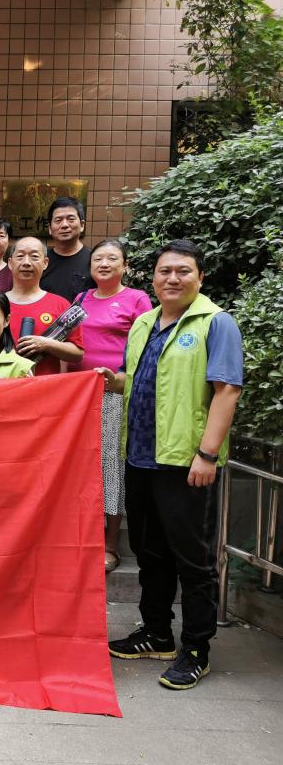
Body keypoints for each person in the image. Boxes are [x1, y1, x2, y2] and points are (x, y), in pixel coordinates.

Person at [100, 240, 243, 691]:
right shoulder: (144, 322)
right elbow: (141, 380)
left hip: (186, 462)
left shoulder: (216, 323)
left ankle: (196, 648)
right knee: (150, 553)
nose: (173, 278)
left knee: (193, 560)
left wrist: (207, 453)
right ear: (153, 278)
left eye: (183, 271)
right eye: (165, 271)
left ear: (200, 277)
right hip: (141, 457)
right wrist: (112, 381)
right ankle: (157, 633)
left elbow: (227, 390)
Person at [68, 240, 153, 573]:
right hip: (79, 394)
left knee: (110, 466)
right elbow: (68, 343)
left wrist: (123, 379)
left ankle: (110, 542)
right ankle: (80, 537)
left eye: (112, 258)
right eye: (98, 259)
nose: (103, 264)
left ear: (125, 265)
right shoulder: (80, 299)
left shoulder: (137, 299)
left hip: (115, 393)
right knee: (79, 467)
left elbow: (146, 346)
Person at [6, 236, 84, 376]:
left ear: (45, 263)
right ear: (10, 263)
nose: (26, 262)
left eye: (34, 257)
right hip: (3, 385)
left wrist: (46, 344)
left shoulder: (60, 304)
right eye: (20, 256)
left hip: (47, 386)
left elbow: (77, 354)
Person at [41, 197, 94, 300]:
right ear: (50, 228)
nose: (64, 225)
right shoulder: (41, 261)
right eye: (58, 220)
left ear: (82, 225)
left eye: (71, 219)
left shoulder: (94, 260)